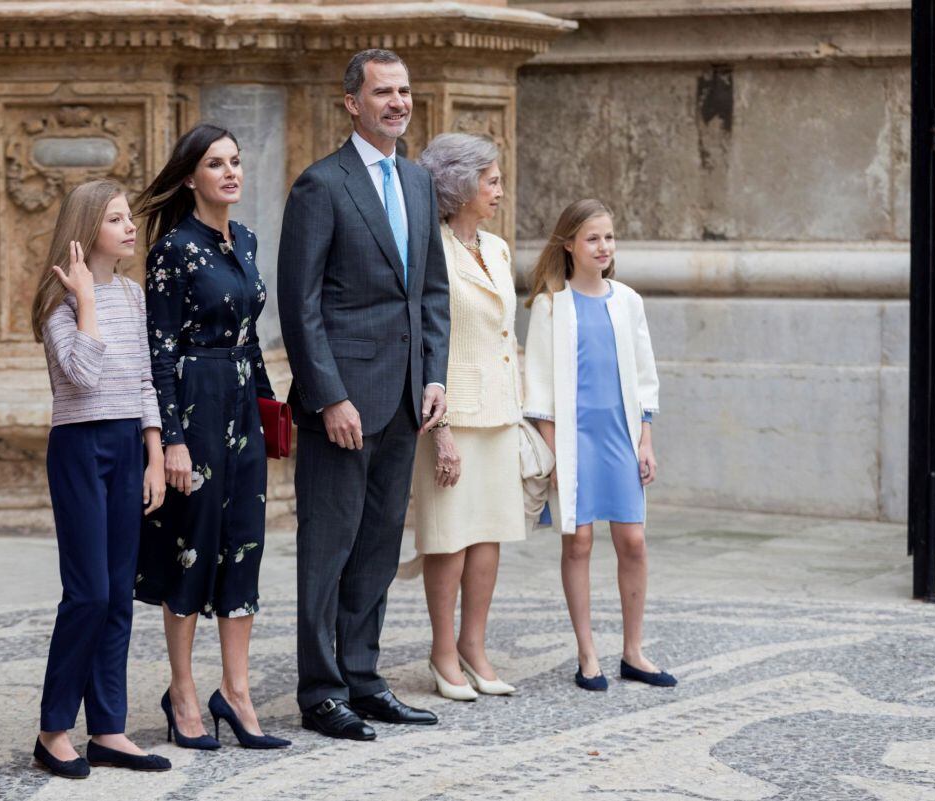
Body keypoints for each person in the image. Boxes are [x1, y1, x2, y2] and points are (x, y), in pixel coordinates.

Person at [277, 48, 450, 740]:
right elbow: (300, 303)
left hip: (406, 397)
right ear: (352, 102)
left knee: (379, 546)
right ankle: (321, 691)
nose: (397, 103)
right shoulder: (321, 186)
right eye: (383, 92)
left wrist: (435, 374)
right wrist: (328, 396)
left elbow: (431, 292)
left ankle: (363, 677)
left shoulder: (417, 180)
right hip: (344, 404)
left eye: (404, 91)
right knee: (329, 547)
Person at [133, 124, 291, 750]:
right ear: (191, 176)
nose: (231, 173)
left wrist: (272, 408)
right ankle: (183, 690)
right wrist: (170, 439)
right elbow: (159, 349)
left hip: (242, 407)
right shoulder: (172, 249)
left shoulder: (246, 239)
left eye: (236, 162)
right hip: (195, 405)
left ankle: (238, 689)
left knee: (244, 545)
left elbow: (250, 335)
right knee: (191, 546)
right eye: (216, 164)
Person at [30, 179, 171, 777]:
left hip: (126, 445)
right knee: (86, 592)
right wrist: (85, 299)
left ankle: (108, 730)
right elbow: (83, 377)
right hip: (80, 448)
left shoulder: (135, 295)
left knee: (117, 594)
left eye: (128, 218)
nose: (130, 227)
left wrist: (156, 454)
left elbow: (143, 381)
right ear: (88, 230)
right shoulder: (57, 304)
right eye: (116, 219)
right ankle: (52, 730)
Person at [523, 199, 677, 692]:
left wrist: (645, 440)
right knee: (580, 541)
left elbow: (644, 375)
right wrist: (553, 457)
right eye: (593, 238)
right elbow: (540, 390)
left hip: (620, 438)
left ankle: (633, 651)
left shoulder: (628, 300)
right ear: (569, 244)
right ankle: (588, 653)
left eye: (609, 237)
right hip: (573, 441)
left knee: (632, 539)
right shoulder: (551, 305)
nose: (604, 247)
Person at [409, 132, 523, 701]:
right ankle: (441, 650)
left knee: (489, 536)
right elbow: (428, 338)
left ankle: (474, 647)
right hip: (450, 415)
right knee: (448, 538)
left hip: (500, 411)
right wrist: (442, 429)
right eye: (492, 180)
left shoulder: (498, 249)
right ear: (460, 184)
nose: (499, 190)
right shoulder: (430, 247)